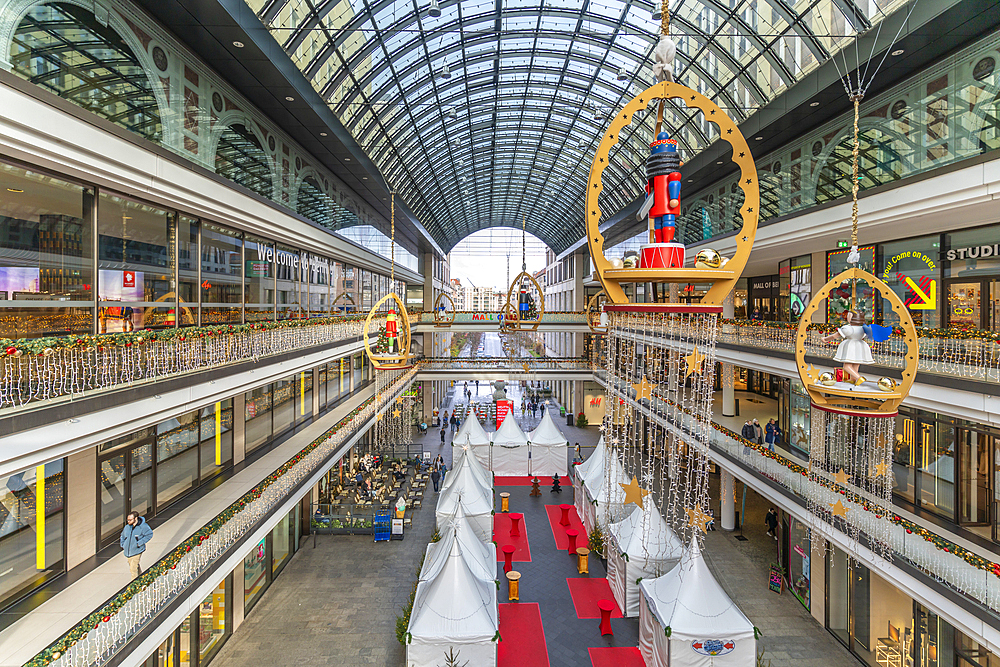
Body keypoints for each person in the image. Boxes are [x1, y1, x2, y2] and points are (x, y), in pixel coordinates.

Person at [822, 309, 875, 385]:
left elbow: (835, 336)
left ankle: (858, 377)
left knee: (847, 366)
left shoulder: (848, 328)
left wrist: (825, 339)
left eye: (848, 316)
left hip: (851, 346)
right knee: (856, 363)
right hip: (860, 345)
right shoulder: (863, 328)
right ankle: (853, 379)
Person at [120, 511, 153, 580]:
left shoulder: (143, 527)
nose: (128, 521)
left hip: (137, 550)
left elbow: (149, 534)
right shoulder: (127, 527)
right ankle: (142, 579)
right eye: (128, 520)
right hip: (128, 552)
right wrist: (123, 544)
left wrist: (139, 543)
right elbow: (122, 536)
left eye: (130, 520)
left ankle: (134, 586)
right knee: (135, 566)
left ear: (135, 518)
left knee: (133, 569)